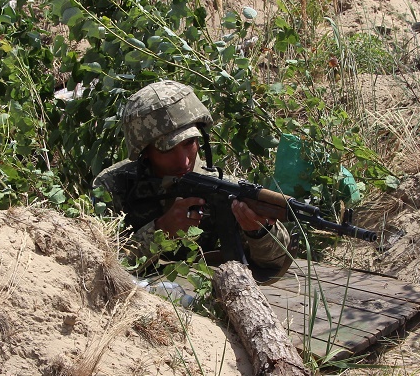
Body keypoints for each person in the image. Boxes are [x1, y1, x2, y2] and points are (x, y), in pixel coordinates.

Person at [94, 80, 292, 282]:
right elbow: (99, 265)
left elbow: (275, 264)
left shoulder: (220, 188)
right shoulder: (113, 186)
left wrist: (258, 231)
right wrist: (160, 231)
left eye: (189, 143)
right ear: (144, 152)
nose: (184, 161)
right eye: (167, 149)